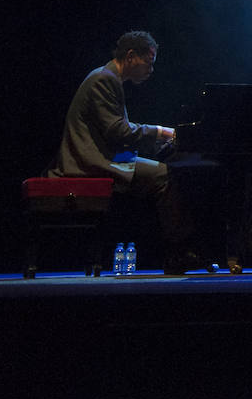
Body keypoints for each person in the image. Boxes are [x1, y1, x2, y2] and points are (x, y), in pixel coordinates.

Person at [47, 31, 202, 273]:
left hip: (104, 156)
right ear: (131, 56)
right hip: (88, 163)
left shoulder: (108, 78)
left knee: (157, 174)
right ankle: (179, 252)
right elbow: (117, 131)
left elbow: (117, 131)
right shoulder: (104, 79)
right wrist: (161, 132)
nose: (151, 70)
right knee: (163, 175)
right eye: (148, 62)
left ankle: (173, 251)